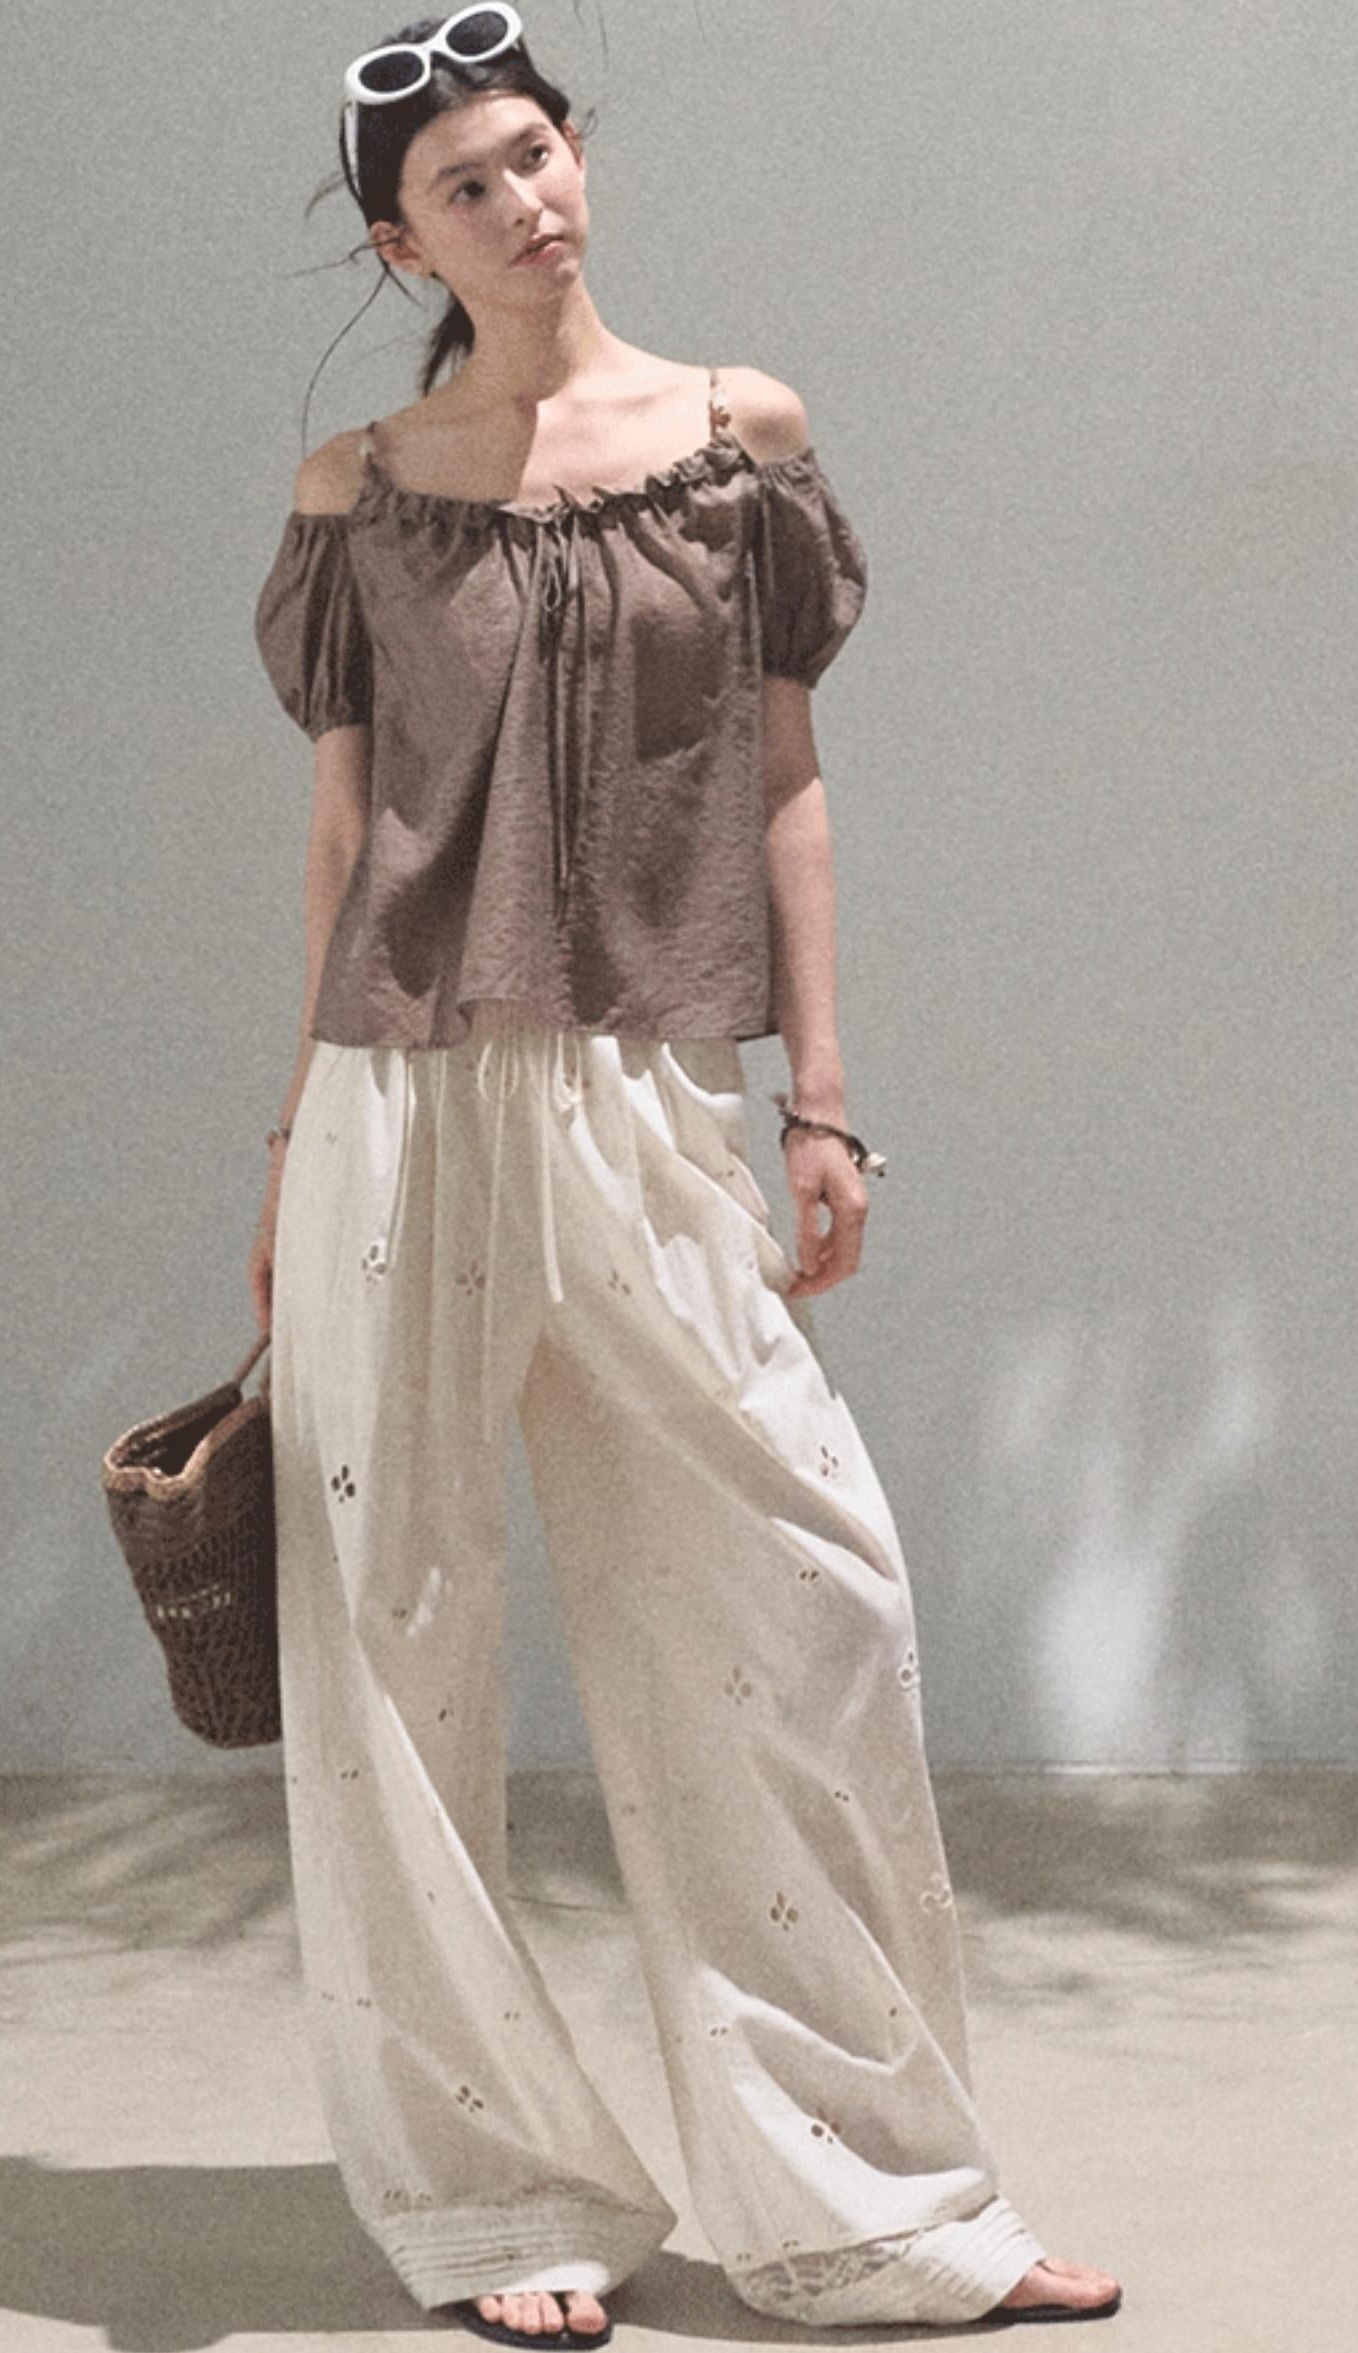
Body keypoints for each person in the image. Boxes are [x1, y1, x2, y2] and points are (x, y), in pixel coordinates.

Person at [247, 10, 1122, 2346]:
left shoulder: (740, 442)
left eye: (536, 152)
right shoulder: (354, 489)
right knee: (390, 1635)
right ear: (397, 245)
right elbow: (339, 835)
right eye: (464, 185)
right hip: (399, 1103)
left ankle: (880, 2210)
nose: (523, 201)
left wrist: (817, 1100)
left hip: (640, 1089)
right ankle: (496, 2198)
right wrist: (284, 1138)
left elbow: (784, 785)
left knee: (798, 1600)